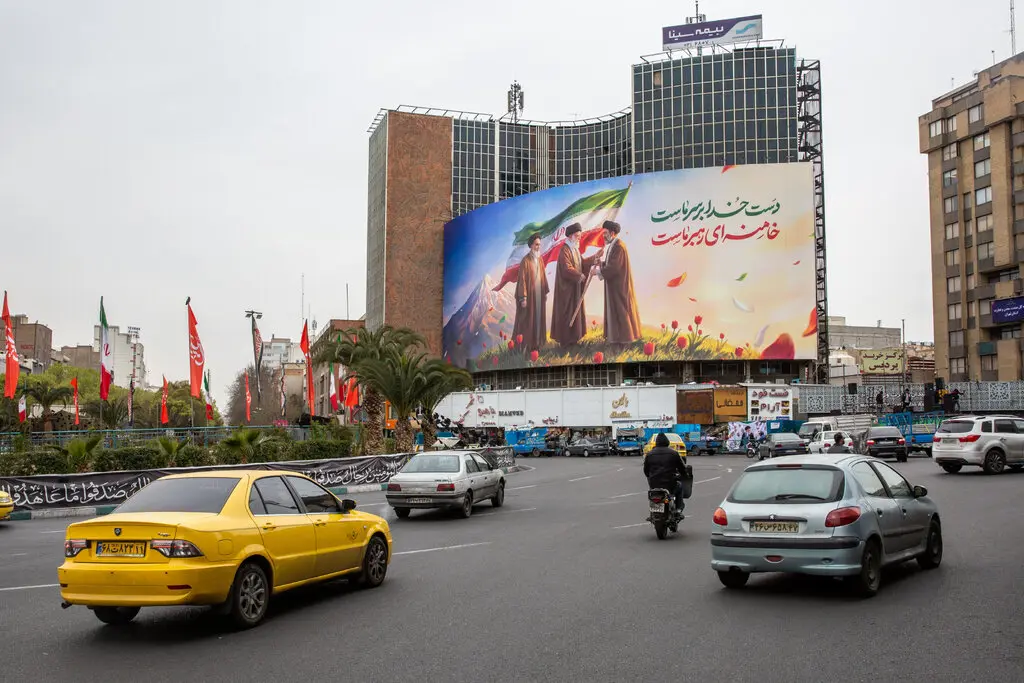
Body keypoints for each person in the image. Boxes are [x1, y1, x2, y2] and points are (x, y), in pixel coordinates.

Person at [550, 223, 601, 347]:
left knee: (575, 313)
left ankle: (574, 340)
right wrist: (578, 276)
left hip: (575, 289)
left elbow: (582, 263)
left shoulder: (575, 249)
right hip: (566, 291)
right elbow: (566, 268)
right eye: (577, 236)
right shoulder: (565, 250)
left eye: (579, 236)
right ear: (571, 236)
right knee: (567, 314)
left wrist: (594, 258)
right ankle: (565, 342)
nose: (579, 238)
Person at [593, 220, 642, 344]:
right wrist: (601, 263)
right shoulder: (614, 245)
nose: (603, 236)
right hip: (615, 286)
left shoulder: (619, 246)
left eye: (605, 233)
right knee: (616, 311)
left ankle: (624, 341)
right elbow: (611, 263)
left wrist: (597, 271)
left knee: (621, 312)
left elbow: (614, 268)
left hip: (619, 287)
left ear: (612, 233)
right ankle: (617, 340)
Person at [512, 233, 550, 353]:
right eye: (536, 245)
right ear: (531, 246)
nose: (538, 247)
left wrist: (545, 292)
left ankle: (538, 343)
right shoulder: (525, 261)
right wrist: (523, 297)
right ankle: (527, 346)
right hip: (530, 297)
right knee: (529, 320)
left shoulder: (540, 260)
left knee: (539, 318)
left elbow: (543, 276)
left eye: (539, 245)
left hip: (539, 295)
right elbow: (522, 280)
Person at [643, 433, 690, 519]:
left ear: (656, 442)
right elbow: (682, 469)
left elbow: (646, 471)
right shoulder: (674, 453)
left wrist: (652, 477)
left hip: (654, 485)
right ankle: (678, 509)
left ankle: (653, 513)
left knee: (653, 493)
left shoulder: (649, 454)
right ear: (667, 442)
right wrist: (684, 475)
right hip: (670, 484)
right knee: (679, 486)